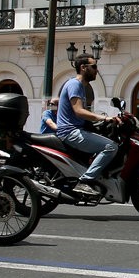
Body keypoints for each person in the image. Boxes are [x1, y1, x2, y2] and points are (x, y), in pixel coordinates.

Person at [56, 53, 121, 196]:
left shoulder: (79, 86)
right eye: (94, 66)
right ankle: (85, 181)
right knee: (110, 147)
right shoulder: (75, 84)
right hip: (70, 132)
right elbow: (79, 111)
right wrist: (106, 119)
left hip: (74, 129)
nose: (97, 70)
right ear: (83, 67)